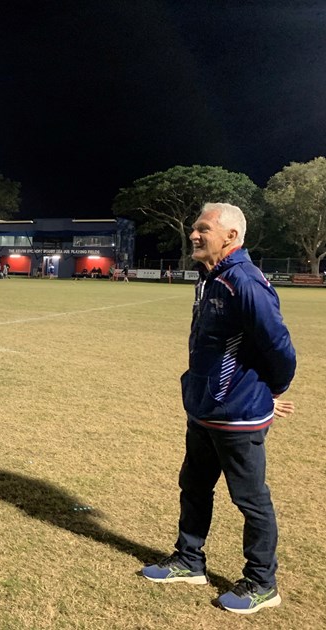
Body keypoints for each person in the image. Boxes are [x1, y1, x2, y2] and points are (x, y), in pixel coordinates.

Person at [141, 203, 296, 615]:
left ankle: (263, 583)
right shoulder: (211, 278)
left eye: (202, 228)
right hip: (203, 410)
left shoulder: (244, 282)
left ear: (230, 236)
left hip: (238, 417)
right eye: (193, 228)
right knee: (193, 486)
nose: (193, 234)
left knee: (251, 501)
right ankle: (190, 561)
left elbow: (280, 349)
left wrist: (267, 393)